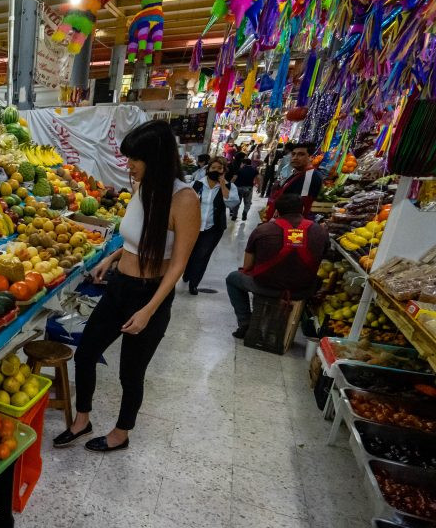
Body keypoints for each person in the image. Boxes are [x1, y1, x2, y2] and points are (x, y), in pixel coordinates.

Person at [54, 120, 200, 452]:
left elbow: (178, 263)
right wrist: (115, 257)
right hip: (120, 285)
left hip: (151, 294)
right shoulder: (141, 187)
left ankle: (121, 433)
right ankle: (82, 419)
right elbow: (139, 239)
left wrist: (149, 311)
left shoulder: (184, 199)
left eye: (135, 158)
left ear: (156, 159)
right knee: (87, 352)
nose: (129, 164)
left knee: (130, 373)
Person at [226, 192, 328, 338]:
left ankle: (245, 323)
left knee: (233, 278)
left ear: (277, 211)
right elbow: (322, 259)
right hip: (301, 290)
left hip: (266, 287)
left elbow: (247, 266)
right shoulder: (320, 232)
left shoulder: (263, 230)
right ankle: (288, 323)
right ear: (303, 209)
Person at [183, 158, 233, 294]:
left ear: (223, 171)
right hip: (193, 226)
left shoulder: (228, 187)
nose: (215, 171)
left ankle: (194, 283)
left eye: (219, 168)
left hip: (213, 228)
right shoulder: (196, 184)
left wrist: (223, 185)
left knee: (202, 255)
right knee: (190, 253)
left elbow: (232, 204)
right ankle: (187, 273)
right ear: (208, 169)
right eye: (213, 168)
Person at [262, 142, 323, 220]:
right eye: (293, 154)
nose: (295, 157)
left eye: (301, 154)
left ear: (311, 157)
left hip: (290, 225)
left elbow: (303, 205)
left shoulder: (309, 176)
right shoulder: (299, 173)